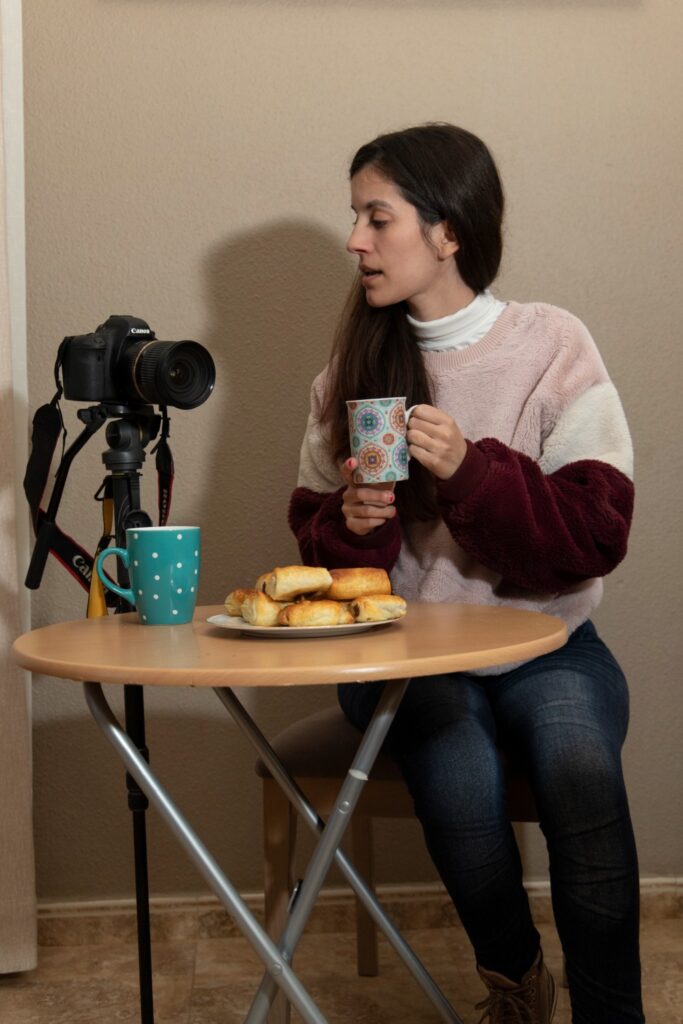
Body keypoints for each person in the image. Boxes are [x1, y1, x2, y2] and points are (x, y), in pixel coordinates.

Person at [288, 123, 643, 1023]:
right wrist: (354, 523)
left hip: (548, 639)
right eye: (355, 218)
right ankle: (516, 980)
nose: (355, 240)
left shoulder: (551, 344)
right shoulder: (348, 376)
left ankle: (612, 1011)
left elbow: (596, 533)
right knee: (453, 765)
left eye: (378, 217)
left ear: (448, 231)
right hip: (403, 655)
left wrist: (473, 473)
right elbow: (317, 555)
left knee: (577, 762)